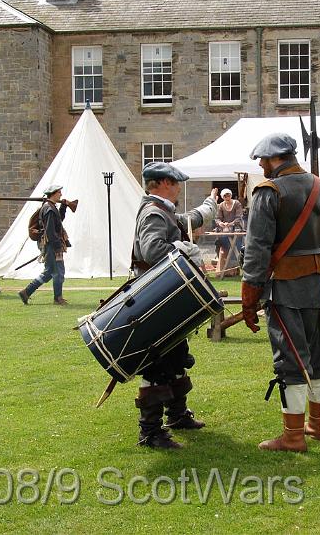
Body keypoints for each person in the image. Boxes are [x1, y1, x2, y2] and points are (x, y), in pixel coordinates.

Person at [241, 133, 320, 453]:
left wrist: (250, 297)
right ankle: (316, 425)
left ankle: (293, 437)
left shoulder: (269, 191)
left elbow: (257, 250)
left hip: (286, 289)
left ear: (276, 159)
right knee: (318, 357)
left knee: (291, 361)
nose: (261, 165)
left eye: (263, 160)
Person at [131, 161, 218, 449]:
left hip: (165, 298)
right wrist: (180, 249)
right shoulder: (154, 213)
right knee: (157, 363)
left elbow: (185, 221)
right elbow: (152, 250)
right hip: (155, 299)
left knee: (176, 356)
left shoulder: (162, 211)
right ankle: (150, 431)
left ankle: (177, 415)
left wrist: (207, 208)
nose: (179, 187)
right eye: (176, 182)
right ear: (164, 183)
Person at [18, 184, 70, 306]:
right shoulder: (49, 209)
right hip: (51, 244)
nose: (61, 194)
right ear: (53, 193)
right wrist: (57, 247)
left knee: (49, 273)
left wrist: (63, 207)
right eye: (59, 192)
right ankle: (58, 298)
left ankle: (26, 292)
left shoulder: (51, 208)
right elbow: (50, 231)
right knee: (58, 272)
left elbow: (58, 222)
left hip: (50, 244)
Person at [214, 188, 244, 276]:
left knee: (235, 247)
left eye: (228, 195)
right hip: (225, 230)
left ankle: (234, 271)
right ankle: (224, 270)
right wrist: (221, 223)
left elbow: (239, 217)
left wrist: (230, 224)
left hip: (236, 229)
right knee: (220, 244)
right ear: (222, 197)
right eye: (225, 195)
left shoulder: (237, 204)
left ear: (231, 195)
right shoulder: (221, 205)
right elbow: (217, 218)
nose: (227, 197)